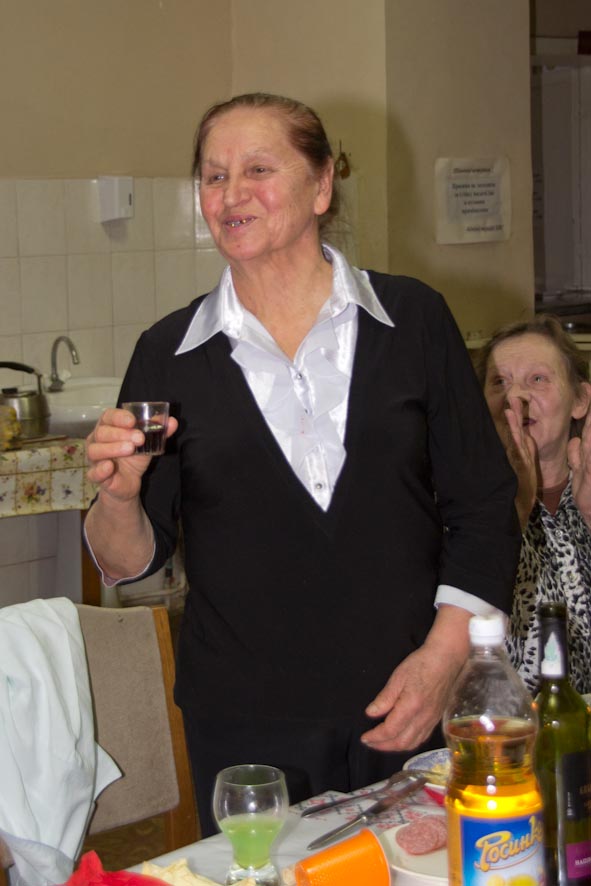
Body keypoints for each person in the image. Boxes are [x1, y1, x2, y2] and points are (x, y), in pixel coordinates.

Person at [84, 92, 520, 835]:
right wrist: (119, 499)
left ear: (321, 187)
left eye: (258, 169)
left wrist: (445, 657)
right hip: (247, 731)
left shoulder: (413, 320)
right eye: (214, 176)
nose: (231, 194)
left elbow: (481, 507)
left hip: (409, 701)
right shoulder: (168, 354)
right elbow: (128, 564)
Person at [475, 314, 591, 695]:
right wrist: (512, 519)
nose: (516, 397)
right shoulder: (454, 510)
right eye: (499, 382)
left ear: (580, 400)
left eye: (537, 379)